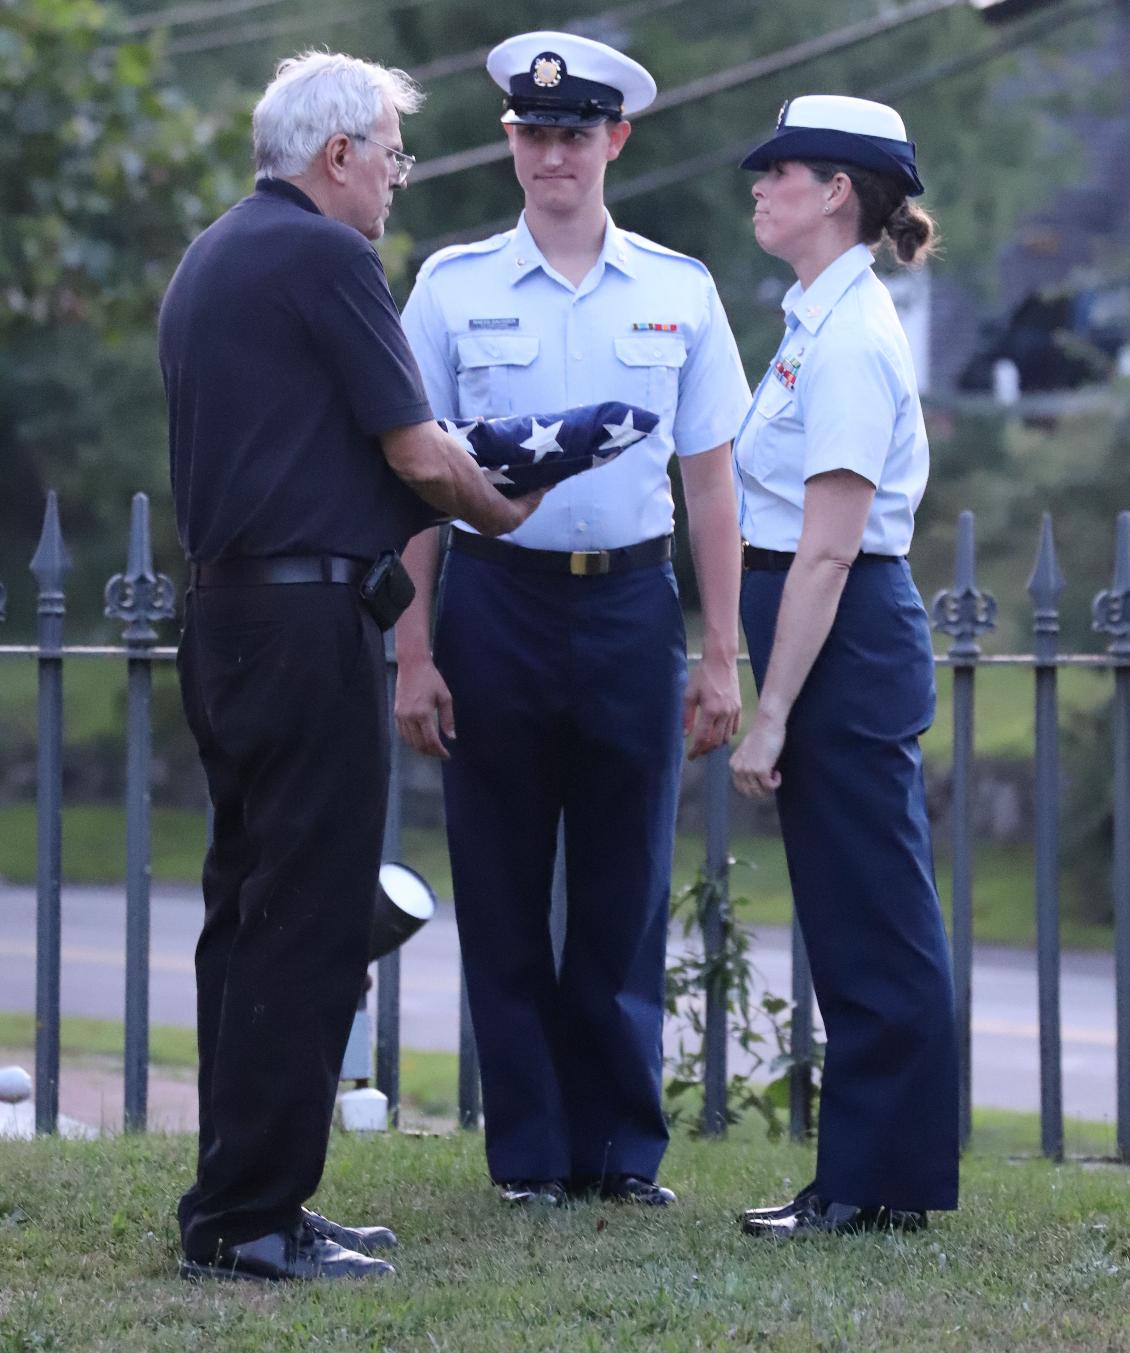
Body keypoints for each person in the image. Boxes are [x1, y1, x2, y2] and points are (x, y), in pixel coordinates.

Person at [159, 51, 543, 1282]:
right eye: (390, 154)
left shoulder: (218, 252)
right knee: (310, 916)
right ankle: (254, 1217)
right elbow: (420, 456)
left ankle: (238, 1197)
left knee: (250, 910)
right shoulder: (326, 256)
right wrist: (503, 502)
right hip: (304, 628)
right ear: (337, 157)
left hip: (229, 623)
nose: (396, 178)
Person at [396, 31, 750, 1208]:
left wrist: (718, 653)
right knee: (498, 886)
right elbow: (413, 483)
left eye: (575, 133)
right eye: (534, 134)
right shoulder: (450, 289)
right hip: (495, 604)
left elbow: (711, 485)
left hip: (627, 603)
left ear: (614, 140)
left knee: (622, 886)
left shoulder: (679, 291)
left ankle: (616, 1152)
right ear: (509, 145)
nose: (555, 153)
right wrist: (410, 652)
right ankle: (530, 1156)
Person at [728, 95, 959, 1236]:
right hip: (822, 622)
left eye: (782, 169)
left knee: (873, 913)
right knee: (847, 907)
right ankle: (860, 1179)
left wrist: (768, 714)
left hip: (843, 632)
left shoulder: (854, 334)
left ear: (836, 193)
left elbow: (826, 546)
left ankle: (880, 1186)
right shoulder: (815, 318)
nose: (759, 184)